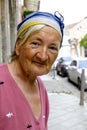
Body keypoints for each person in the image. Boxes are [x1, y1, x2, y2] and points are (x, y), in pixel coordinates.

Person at [0, 11, 64, 130]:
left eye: (52, 47)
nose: (43, 56)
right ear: (18, 46)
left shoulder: (40, 86)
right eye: (35, 43)